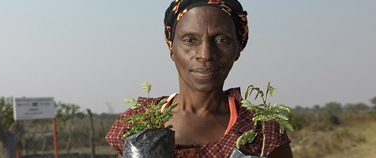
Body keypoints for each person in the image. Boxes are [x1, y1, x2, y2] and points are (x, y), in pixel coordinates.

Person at [106, 0, 293, 157]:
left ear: (238, 48)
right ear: (171, 48)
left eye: (222, 39)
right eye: (190, 39)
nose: (205, 54)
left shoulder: (262, 132)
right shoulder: (140, 121)